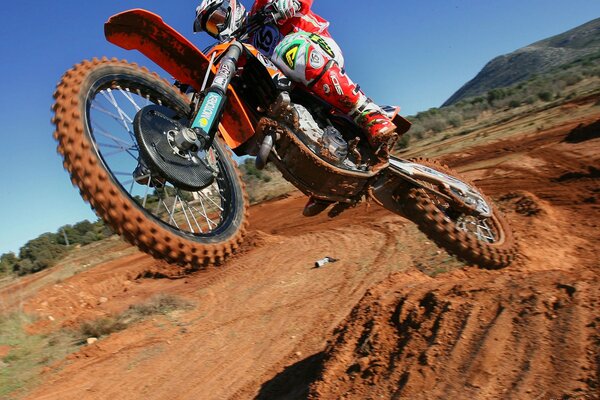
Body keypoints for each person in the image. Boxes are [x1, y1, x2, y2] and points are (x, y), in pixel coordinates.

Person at [195, 0, 398, 215]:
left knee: (288, 49)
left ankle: (368, 113)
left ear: (230, 7)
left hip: (316, 47)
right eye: (210, 28)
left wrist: (285, 3)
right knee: (266, 115)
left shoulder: (260, 7)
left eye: (216, 20)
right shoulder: (243, 48)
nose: (217, 29)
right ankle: (319, 179)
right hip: (294, 88)